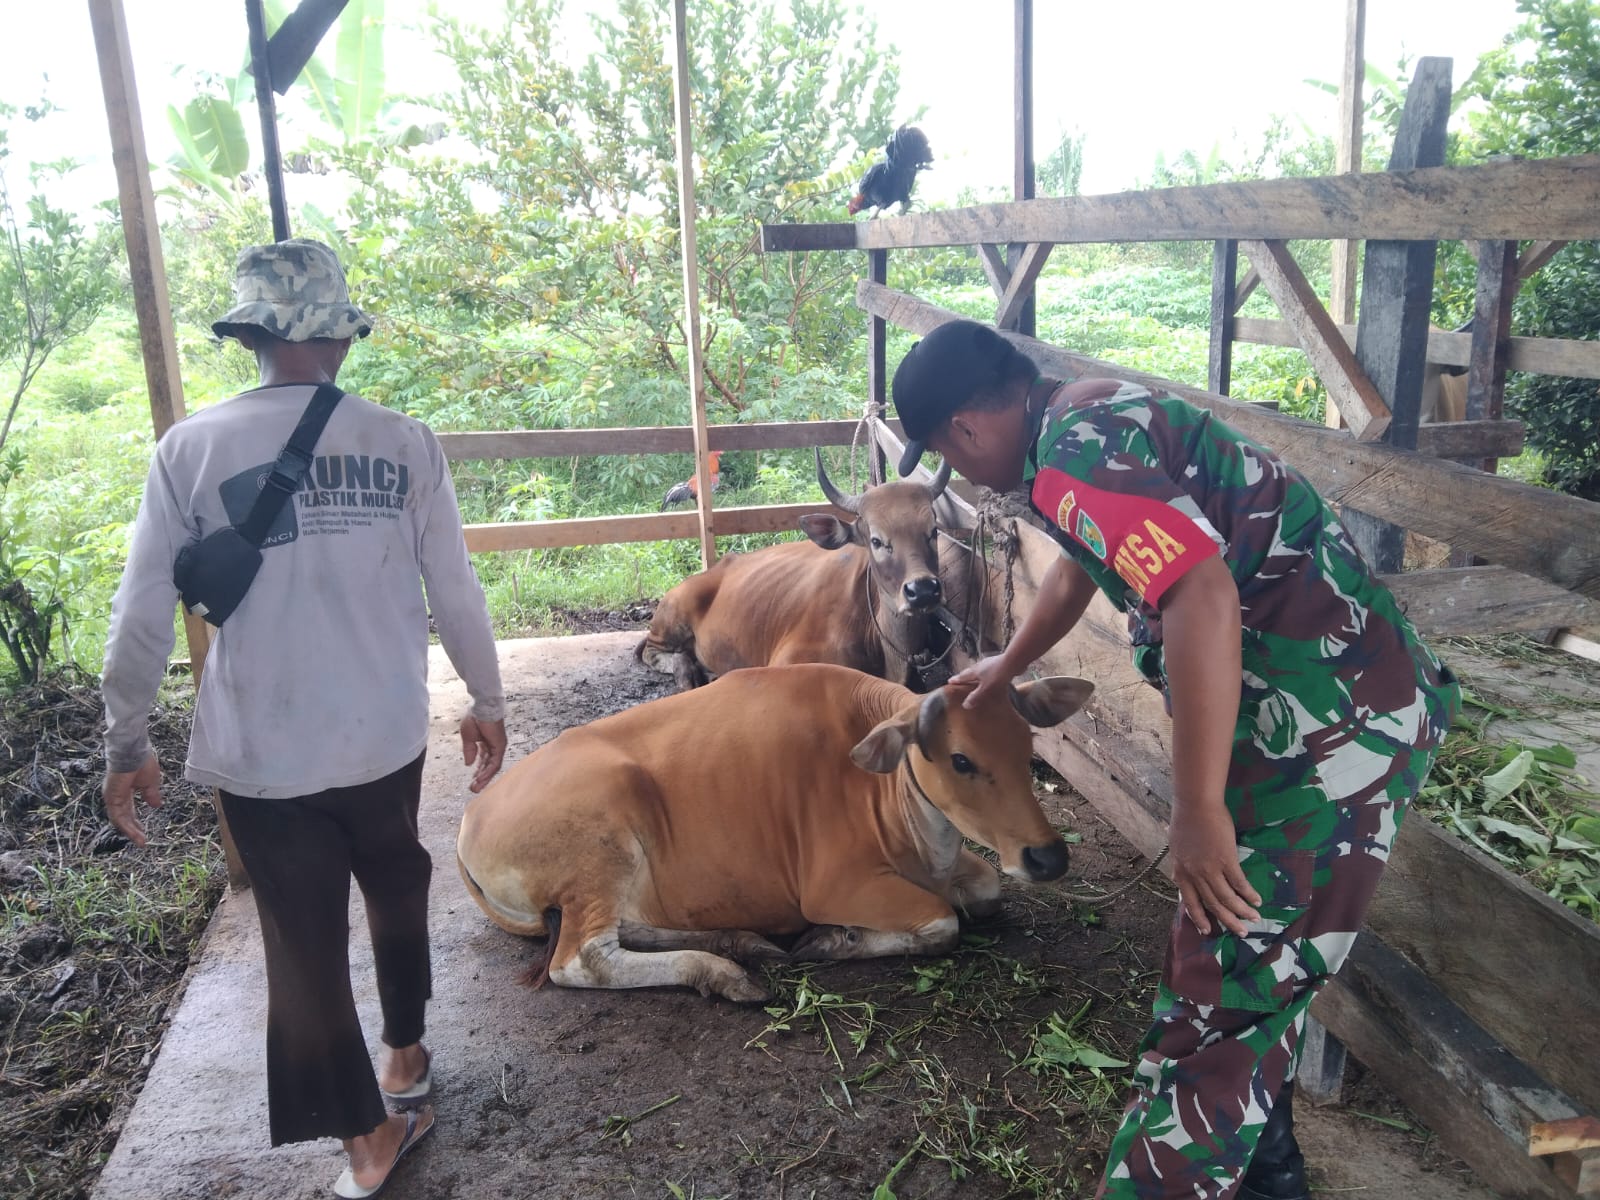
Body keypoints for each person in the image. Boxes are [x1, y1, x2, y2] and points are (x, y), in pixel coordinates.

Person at [891, 319, 1458, 1200]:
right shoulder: (1086, 420)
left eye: (950, 458)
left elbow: (1198, 589)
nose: (964, 474)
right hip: (1341, 704)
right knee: (1254, 973)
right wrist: (1007, 664)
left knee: (1218, 997)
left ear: (963, 430)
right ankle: (1272, 1181)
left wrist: (1198, 807)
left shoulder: (1074, 456)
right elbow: (1086, 561)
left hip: (1325, 733)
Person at [100, 239, 508, 1199]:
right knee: (398, 880)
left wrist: (128, 743)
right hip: (382, 737)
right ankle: (405, 1057)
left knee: (303, 941)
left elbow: (140, 614)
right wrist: (486, 700)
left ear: (248, 335)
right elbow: (456, 587)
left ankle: (368, 1140)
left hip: (262, 756)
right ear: (340, 338)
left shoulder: (188, 450)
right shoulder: (402, 441)